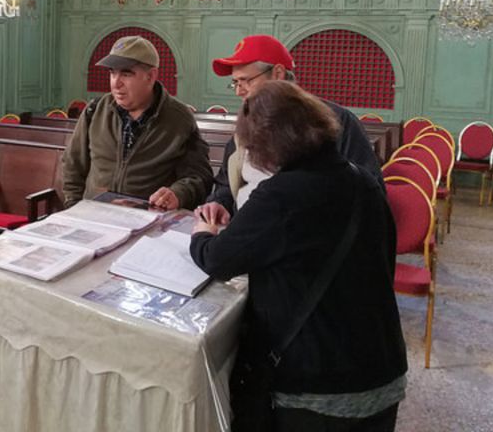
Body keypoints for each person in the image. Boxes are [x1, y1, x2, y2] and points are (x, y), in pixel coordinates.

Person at [190, 81, 407, 432]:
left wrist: (202, 231)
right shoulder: (363, 182)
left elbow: (217, 259)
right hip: (382, 369)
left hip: (319, 386)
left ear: (266, 146)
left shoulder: (281, 194)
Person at [196, 34, 381, 223]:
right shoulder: (247, 124)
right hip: (248, 237)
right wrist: (219, 203)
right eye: (235, 82)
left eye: (246, 81)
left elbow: (368, 195)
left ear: (278, 73)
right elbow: (226, 183)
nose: (239, 91)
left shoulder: (334, 121)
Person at [62, 35, 212, 211]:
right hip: (95, 217)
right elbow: (73, 165)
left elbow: (199, 177)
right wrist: (73, 208)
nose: (116, 83)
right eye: (112, 72)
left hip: (148, 223)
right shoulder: (94, 111)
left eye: (126, 73)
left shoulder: (179, 118)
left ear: (150, 76)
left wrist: (178, 193)